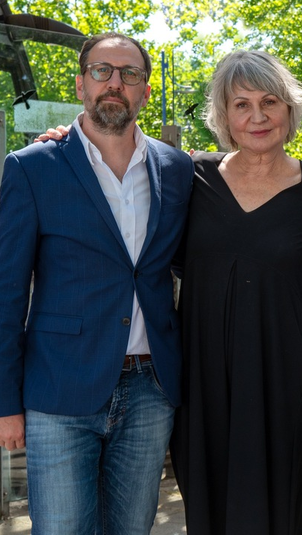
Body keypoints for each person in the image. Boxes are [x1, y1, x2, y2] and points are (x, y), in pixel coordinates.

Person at [0, 32, 194, 534]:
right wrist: (5, 403)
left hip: (151, 390)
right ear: (82, 84)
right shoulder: (31, 167)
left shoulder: (176, 170)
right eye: (102, 71)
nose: (115, 83)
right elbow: (6, 292)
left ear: (145, 92)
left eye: (130, 74)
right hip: (58, 391)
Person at [168, 49, 302, 534]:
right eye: (241, 104)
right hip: (201, 375)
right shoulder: (190, 176)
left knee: (278, 507)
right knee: (206, 504)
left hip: (280, 378)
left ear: (290, 110)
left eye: (270, 102)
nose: (257, 116)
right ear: (223, 116)